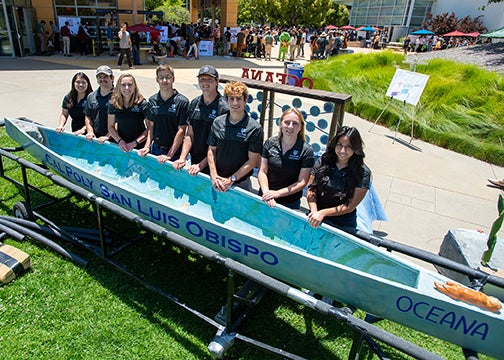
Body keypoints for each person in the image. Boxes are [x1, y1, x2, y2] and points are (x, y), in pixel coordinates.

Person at [306, 126, 371, 229]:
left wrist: (323, 213)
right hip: (315, 217)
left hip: (343, 224)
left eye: (349, 146)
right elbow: (311, 189)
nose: (342, 150)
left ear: (356, 148)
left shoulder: (363, 172)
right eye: (339, 145)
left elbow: (350, 206)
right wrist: (314, 211)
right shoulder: (324, 160)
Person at [207, 81, 264, 192]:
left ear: (245, 100)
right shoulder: (217, 122)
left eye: (238, 99)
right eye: (231, 99)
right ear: (226, 101)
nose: (235, 103)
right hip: (217, 180)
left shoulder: (254, 128)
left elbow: (253, 161)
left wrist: (232, 179)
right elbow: (211, 150)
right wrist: (214, 175)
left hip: (240, 183)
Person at [174, 65, 229, 174]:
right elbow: (190, 134)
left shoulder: (224, 108)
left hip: (215, 163)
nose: (205, 83)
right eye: (202, 79)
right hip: (196, 159)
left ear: (217, 82)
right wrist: (182, 157)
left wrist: (201, 165)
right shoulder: (195, 103)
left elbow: (221, 144)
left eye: (209, 79)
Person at [258, 108, 314, 209]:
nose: (290, 126)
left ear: (301, 127)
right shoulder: (270, 143)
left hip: (289, 203)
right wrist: (267, 193)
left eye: (295, 123)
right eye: (287, 122)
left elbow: (302, 182)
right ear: (280, 123)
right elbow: (262, 171)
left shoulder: (306, 151)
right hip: (265, 197)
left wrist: (277, 194)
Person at [139, 65, 189, 161]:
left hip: (175, 151)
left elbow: (182, 131)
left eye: (168, 77)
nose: (164, 80)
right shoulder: (152, 100)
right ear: (157, 80)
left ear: (173, 79)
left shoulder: (182, 102)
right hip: (156, 149)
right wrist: (147, 146)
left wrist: (169, 155)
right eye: (161, 77)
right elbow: (151, 127)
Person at [107, 73, 148, 152]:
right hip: (121, 145)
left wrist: (135, 143)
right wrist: (120, 141)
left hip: (139, 146)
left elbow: (150, 129)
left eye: (130, 85)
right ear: (119, 87)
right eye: (123, 85)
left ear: (134, 86)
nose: (127, 88)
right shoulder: (113, 104)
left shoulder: (142, 103)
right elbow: (110, 127)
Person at [84, 65, 114, 144]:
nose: (102, 79)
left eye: (105, 77)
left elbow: (121, 120)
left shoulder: (118, 97)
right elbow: (88, 116)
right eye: (100, 77)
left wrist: (108, 136)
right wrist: (90, 132)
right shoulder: (91, 96)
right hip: (95, 139)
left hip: (114, 140)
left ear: (112, 78)